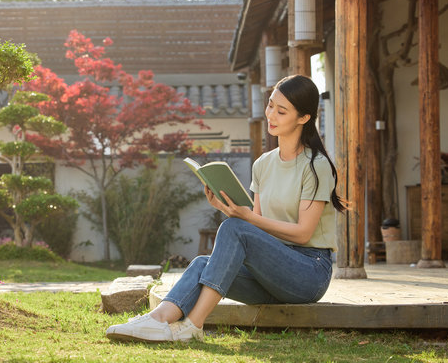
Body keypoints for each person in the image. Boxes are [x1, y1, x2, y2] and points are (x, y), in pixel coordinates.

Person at [106, 74, 346, 342]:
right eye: (270, 106)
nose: (271, 115)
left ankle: (192, 327)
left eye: (281, 111)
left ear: (303, 118)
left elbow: (302, 234)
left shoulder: (316, 166)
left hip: (308, 273)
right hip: (271, 273)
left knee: (235, 228)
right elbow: (258, 224)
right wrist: (229, 208)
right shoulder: (263, 165)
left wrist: (242, 220)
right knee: (201, 264)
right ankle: (156, 320)